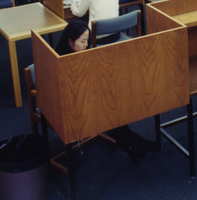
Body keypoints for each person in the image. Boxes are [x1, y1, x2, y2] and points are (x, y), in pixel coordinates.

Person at [55, 19, 160, 160]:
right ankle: (135, 145)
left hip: (87, 96)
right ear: (69, 42)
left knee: (111, 104)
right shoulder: (60, 61)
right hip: (70, 105)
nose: (87, 45)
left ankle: (133, 145)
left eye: (87, 40)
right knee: (107, 109)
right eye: (82, 42)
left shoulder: (81, 53)